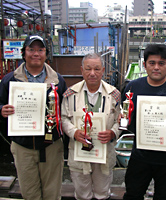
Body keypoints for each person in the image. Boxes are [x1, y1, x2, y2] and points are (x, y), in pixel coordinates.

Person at [0, 34, 67, 200]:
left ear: (46, 54)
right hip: (22, 146)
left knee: (52, 193)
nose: (36, 53)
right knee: (30, 193)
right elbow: (0, 103)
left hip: (51, 145)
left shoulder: (58, 81)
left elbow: (66, 110)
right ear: (24, 53)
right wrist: (2, 109)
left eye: (40, 49)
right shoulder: (9, 80)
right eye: (31, 49)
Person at [122, 44, 166, 200]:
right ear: (145, 64)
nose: (156, 67)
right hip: (140, 155)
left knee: (165, 196)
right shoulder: (133, 87)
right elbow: (123, 114)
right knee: (133, 194)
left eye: (161, 63)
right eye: (151, 63)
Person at [61, 53, 121, 200]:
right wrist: (74, 132)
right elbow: (63, 118)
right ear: (82, 70)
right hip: (79, 153)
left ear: (103, 70)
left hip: (104, 151)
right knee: (82, 193)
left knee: (102, 192)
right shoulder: (70, 94)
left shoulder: (114, 95)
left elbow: (121, 121)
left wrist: (113, 133)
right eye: (88, 69)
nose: (92, 73)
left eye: (97, 69)